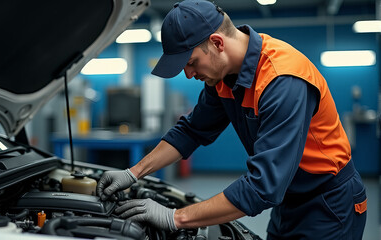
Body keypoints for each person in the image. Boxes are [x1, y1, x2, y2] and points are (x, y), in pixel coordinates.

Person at [96, 0, 367, 239]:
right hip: (288, 201)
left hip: (330, 203)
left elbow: (263, 187)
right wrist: (133, 172)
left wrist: (175, 218)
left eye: (191, 62)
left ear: (217, 42)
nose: (189, 75)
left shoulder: (282, 80)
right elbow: (191, 131)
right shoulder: (222, 78)